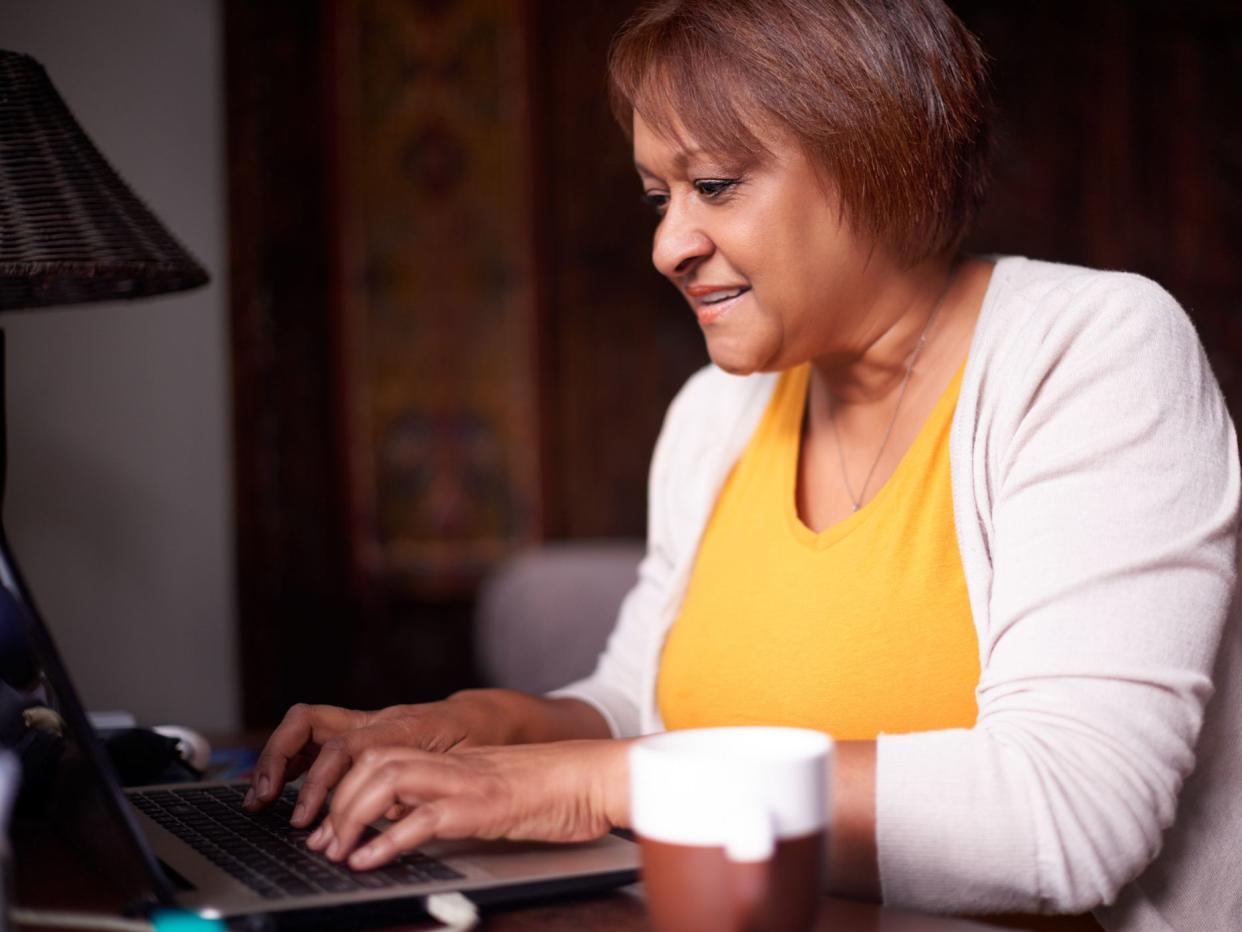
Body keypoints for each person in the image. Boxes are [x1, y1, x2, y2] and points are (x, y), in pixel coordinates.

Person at [244, 2, 1241, 929]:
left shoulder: (1096, 352)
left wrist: (585, 781)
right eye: (657, 196)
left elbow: (1066, 816)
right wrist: (467, 727)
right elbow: (643, 705)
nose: (669, 244)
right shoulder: (718, 410)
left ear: (878, 157)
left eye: (714, 184)